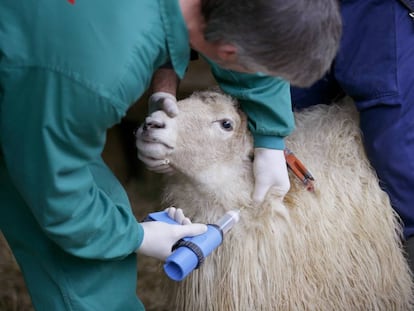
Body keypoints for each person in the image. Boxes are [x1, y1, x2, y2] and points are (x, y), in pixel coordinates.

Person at [0, 0, 341, 310]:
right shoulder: (98, 79)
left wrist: (269, 136)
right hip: (27, 81)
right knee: (88, 261)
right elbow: (57, 193)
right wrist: (136, 236)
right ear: (226, 52)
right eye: (262, 70)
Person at [289, 0, 414, 272]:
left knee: (394, 149)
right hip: (299, 11)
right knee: (284, 117)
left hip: (378, 9)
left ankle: (405, 268)